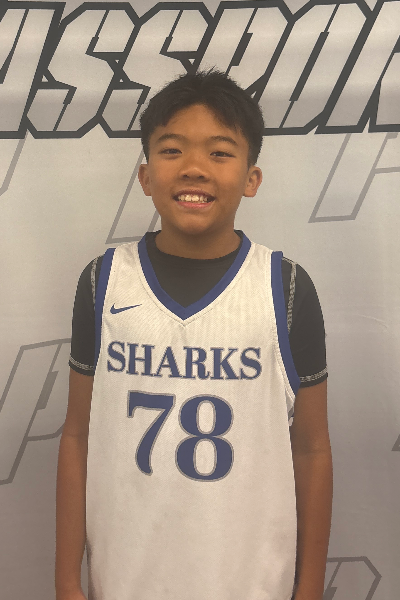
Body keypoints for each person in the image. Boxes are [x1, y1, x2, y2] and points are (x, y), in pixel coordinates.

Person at [56, 70, 332, 600]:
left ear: (252, 177)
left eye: (220, 153)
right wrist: (67, 580)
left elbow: (312, 450)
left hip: (251, 583)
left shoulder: (286, 288)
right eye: (172, 149)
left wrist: (310, 587)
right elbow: (77, 436)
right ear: (145, 176)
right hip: (126, 579)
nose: (194, 168)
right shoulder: (103, 281)